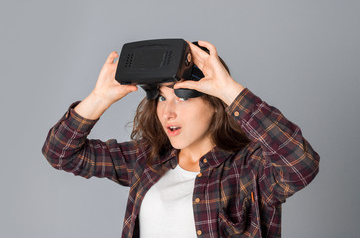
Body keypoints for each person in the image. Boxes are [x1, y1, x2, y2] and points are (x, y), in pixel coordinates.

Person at [42, 40, 320, 238]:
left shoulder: (250, 169)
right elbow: (60, 153)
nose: (168, 111)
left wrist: (229, 90)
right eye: (161, 97)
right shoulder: (146, 160)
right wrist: (98, 99)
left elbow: (300, 164)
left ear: (215, 104)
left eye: (183, 97)